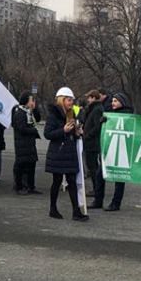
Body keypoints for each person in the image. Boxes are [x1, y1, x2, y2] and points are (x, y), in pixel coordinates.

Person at [44, 86, 88, 222]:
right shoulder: (53, 115)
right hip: (58, 153)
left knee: (72, 182)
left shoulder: (71, 114)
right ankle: (53, 208)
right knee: (57, 182)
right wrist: (63, 130)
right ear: (62, 100)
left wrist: (77, 133)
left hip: (68, 152)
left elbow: (70, 133)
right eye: (69, 100)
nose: (71, 103)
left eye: (72, 100)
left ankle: (76, 211)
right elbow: (48, 134)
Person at [96, 92, 134, 211]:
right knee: (99, 174)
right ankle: (98, 200)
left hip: (122, 151)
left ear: (122, 102)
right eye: (112, 101)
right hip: (110, 149)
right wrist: (103, 122)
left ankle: (116, 203)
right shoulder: (111, 115)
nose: (113, 103)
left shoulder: (129, 116)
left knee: (119, 178)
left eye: (116, 101)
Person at [11, 91, 41, 195]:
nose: (33, 102)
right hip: (22, 144)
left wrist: (35, 109)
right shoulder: (19, 113)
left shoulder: (29, 112)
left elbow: (37, 119)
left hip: (30, 144)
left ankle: (31, 186)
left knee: (31, 164)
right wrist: (33, 131)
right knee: (21, 165)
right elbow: (21, 128)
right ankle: (19, 186)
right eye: (31, 100)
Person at [82, 89, 108, 206]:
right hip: (90, 142)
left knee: (93, 167)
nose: (88, 100)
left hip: (92, 143)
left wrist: (87, 135)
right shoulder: (94, 109)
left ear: (93, 98)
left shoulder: (97, 109)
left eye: (89, 97)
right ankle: (95, 188)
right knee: (92, 167)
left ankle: (96, 189)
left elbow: (97, 126)